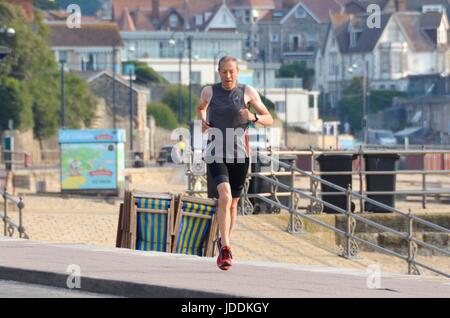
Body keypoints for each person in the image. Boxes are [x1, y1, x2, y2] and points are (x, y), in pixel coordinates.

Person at [197, 56, 273, 271]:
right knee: (225, 197)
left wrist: (253, 117)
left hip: (240, 156)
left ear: (237, 72)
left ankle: (224, 242)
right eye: (224, 72)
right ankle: (227, 247)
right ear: (218, 72)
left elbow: (269, 119)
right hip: (215, 153)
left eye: (231, 72)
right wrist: (203, 121)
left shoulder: (247, 92)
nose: (227, 76)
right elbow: (201, 107)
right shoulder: (209, 91)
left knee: (232, 205)